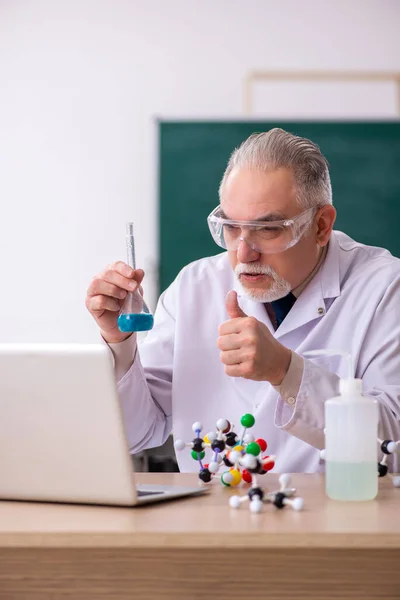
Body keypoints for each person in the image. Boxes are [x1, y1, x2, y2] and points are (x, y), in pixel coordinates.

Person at [85, 128, 400, 473]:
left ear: (321, 226)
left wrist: (285, 371)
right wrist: (119, 343)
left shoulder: (385, 288)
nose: (244, 253)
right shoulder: (194, 287)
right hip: (213, 517)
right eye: (232, 227)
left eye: (268, 229)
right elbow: (133, 433)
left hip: (336, 517)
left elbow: (391, 447)